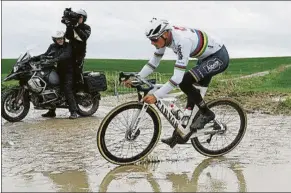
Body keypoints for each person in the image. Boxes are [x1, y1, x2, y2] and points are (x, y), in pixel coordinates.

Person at [123, 18, 230, 147]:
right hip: (205, 57)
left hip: (218, 56)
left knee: (185, 81)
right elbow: (153, 63)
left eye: (154, 39)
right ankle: (182, 132)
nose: (152, 43)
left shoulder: (182, 41)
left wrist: (156, 96)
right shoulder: (164, 39)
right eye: (150, 40)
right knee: (191, 91)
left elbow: (177, 78)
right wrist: (137, 78)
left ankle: (207, 113)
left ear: (165, 34)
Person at [32, 31, 78, 119]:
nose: (60, 40)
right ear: (55, 39)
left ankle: (74, 111)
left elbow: (65, 55)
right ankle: (51, 111)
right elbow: (46, 54)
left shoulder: (68, 46)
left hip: (68, 71)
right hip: (58, 71)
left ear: (64, 38)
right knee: (51, 88)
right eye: (58, 39)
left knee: (66, 88)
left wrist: (54, 60)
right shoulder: (52, 46)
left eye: (61, 38)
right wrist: (35, 58)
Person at [64, 9, 91, 92]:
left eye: (80, 17)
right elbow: (67, 36)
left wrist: (76, 27)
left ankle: (80, 91)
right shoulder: (72, 26)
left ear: (84, 18)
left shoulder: (86, 27)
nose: (78, 18)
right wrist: (69, 25)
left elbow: (84, 37)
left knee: (77, 73)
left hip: (79, 55)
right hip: (70, 53)